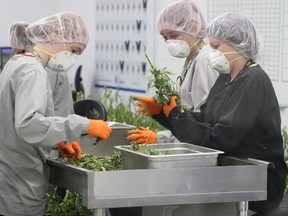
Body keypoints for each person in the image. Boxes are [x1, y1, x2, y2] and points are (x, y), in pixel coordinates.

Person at [137, 12, 288, 215]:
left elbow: (220, 138)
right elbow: (205, 120)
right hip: (232, 172)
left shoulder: (253, 80)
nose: (212, 52)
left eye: (216, 47)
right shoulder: (225, 79)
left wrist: (174, 115)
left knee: (176, 209)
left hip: (259, 183)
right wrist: (164, 114)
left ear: (238, 44)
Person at [0, 11, 112, 216]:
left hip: (11, 174)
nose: (73, 58)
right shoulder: (32, 71)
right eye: (73, 49)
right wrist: (85, 125)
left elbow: (16, 120)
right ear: (55, 36)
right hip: (21, 180)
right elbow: (28, 125)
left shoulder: (17, 63)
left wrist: (56, 141)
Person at [127, 0, 218, 145]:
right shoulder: (192, 59)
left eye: (173, 35)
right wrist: (162, 112)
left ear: (193, 26)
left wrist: (161, 139)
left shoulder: (203, 61)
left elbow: (201, 123)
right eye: (165, 38)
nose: (169, 42)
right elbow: (188, 118)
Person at [8, 21, 74, 117]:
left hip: (57, 123)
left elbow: (37, 104)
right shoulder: (32, 61)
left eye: (13, 40)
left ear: (18, 42)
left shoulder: (40, 66)